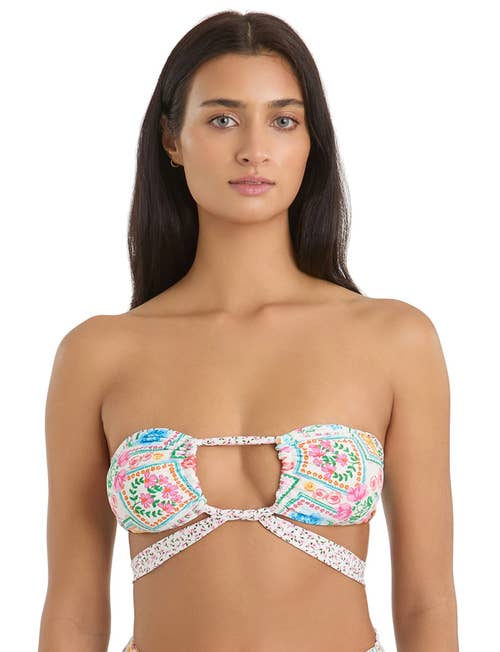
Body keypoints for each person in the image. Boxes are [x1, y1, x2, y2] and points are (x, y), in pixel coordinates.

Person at [38, 10, 458, 652]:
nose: (254, 149)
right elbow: (74, 612)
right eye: (222, 119)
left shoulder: (395, 340)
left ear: (311, 141)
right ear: (172, 141)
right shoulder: (97, 353)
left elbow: (427, 602)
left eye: (283, 120)